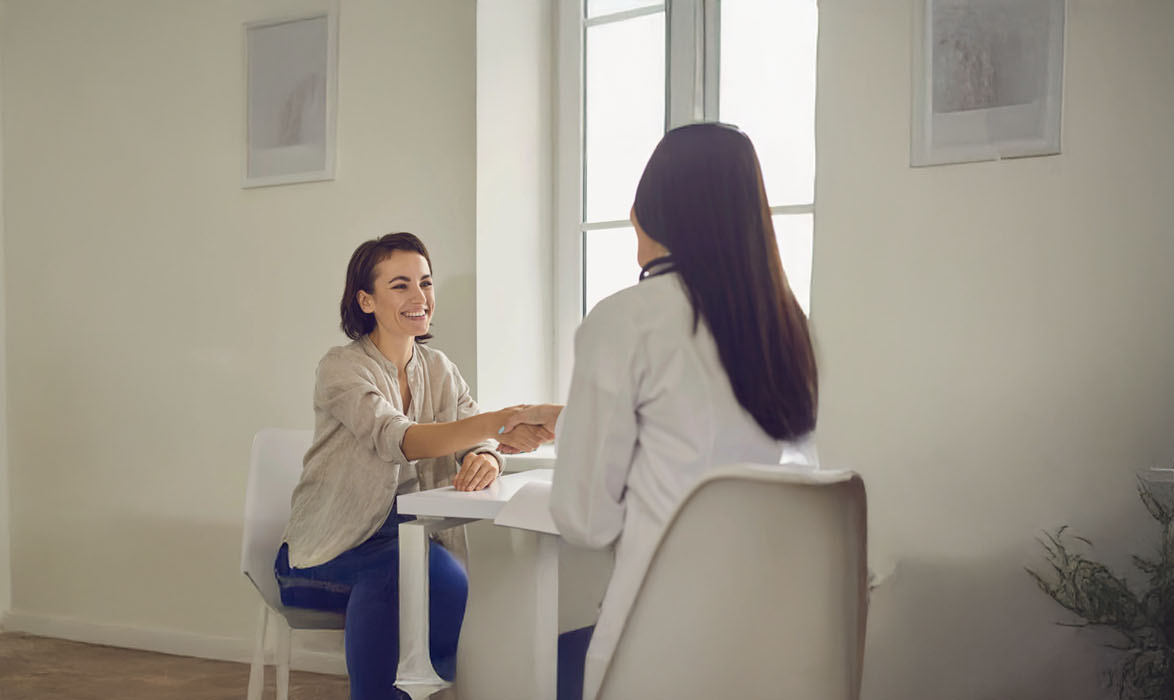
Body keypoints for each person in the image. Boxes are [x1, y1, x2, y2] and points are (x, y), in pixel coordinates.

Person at [542, 123, 821, 700]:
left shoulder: (627, 319)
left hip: (661, 643)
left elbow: (585, 520)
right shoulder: (790, 328)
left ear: (649, 216)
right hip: (780, 632)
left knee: (552, 660)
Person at [276, 232, 553, 699]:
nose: (419, 296)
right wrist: (501, 421)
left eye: (425, 282)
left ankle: (414, 694)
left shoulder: (440, 368)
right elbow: (400, 439)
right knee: (404, 577)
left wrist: (486, 454)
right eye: (400, 285)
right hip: (325, 551)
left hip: (406, 541)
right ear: (366, 300)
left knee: (435, 575)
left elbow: (475, 433)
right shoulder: (341, 368)